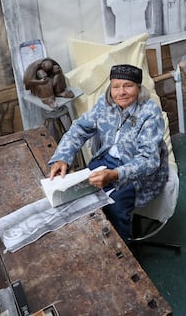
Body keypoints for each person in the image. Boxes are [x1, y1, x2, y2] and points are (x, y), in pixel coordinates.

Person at [48, 64, 168, 240]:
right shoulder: (105, 104)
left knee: (115, 208)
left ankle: (122, 254)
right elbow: (79, 129)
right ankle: (95, 242)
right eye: (116, 87)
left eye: (128, 85)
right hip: (106, 160)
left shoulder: (150, 112)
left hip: (137, 172)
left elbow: (149, 160)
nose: (121, 92)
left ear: (139, 88)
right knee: (78, 196)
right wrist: (62, 157)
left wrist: (115, 174)